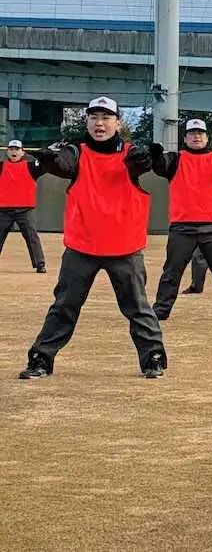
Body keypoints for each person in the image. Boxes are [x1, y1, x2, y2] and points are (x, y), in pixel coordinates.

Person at [19, 96, 166, 380]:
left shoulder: (133, 154)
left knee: (138, 308)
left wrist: (143, 163)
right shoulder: (76, 152)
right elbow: (65, 165)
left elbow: (141, 165)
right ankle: (41, 359)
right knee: (64, 306)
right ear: (86, 121)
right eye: (94, 117)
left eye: (106, 117)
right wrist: (51, 159)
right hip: (82, 246)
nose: (99, 123)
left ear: (118, 122)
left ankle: (153, 357)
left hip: (124, 247)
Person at [150, 119, 212, 322]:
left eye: (200, 133)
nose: (196, 136)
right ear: (185, 138)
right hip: (182, 227)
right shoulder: (175, 159)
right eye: (192, 133)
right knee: (172, 272)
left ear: (206, 137)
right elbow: (160, 167)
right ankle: (161, 309)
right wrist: (156, 155)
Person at [0, 139, 47, 273]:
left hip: (25, 209)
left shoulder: (32, 167)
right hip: (4, 209)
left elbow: (47, 165)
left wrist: (42, 155)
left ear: (22, 152)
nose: (14, 151)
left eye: (17, 149)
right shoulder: (1, 166)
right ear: (7, 151)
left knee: (32, 237)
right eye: (11, 149)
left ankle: (40, 264)